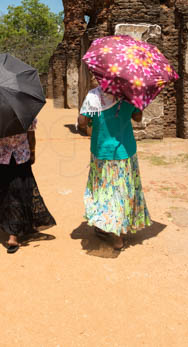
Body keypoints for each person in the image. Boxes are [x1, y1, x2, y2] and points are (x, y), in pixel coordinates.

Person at [77, 81, 152, 250]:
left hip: (102, 151)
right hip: (124, 150)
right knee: (122, 190)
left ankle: (115, 234)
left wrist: (87, 114)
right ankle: (115, 230)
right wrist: (137, 101)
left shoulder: (94, 96)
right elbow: (138, 117)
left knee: (103, 190)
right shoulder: (128, 94)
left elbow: (82, 123)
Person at [0, 117, 56, 253]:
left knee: (6, 192)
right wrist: (32, 152)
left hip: (0, 157)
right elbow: (31, 135)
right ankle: (15, 230)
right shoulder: (26, 112)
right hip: (21, 157)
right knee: (21, 191)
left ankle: (12, 231)